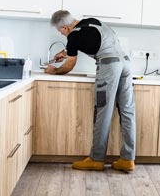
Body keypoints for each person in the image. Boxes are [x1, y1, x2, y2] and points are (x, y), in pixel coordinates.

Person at [46, 10, 136, 172]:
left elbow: (69, 66)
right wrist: (65, 52)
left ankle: (96, 159)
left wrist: (54, 71)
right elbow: (90, 42)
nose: (62, 34)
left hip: (109, 66)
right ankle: (127, 159)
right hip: (126, 64)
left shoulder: (73, 36)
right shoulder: (91, 22)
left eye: (60, 31)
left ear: (65, 28)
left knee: (103, 111)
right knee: (127, 111)